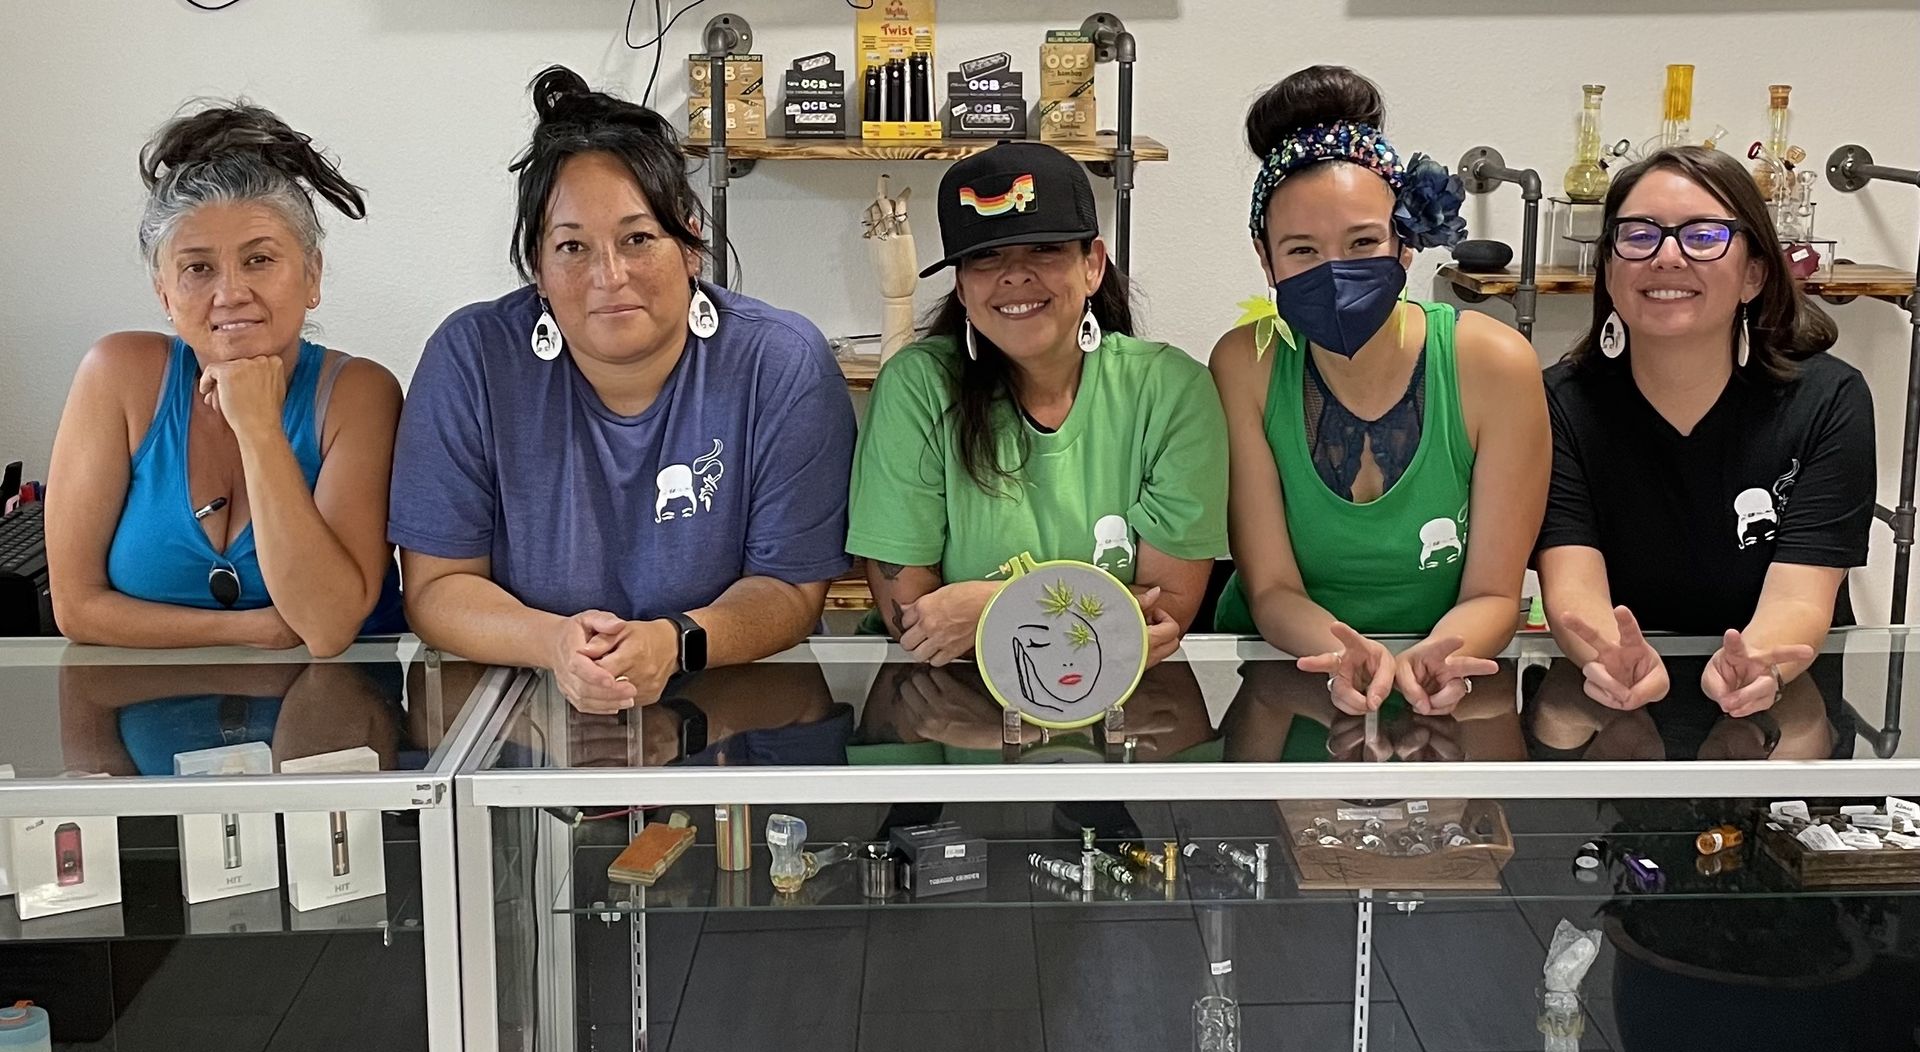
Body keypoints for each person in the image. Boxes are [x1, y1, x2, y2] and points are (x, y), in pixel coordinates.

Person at [391, 66, 855, 715]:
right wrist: (556, 643)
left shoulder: (780, 363)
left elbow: (789, 591)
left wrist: (674, 641)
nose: (609, 275)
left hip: (733, 712)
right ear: (536, 268)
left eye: (638, 239)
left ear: (690, 240)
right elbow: (439, 587)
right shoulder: (473, 359)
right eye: (572, 247)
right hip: (526, 713)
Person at [1211, 66, 1549, 715]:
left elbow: (1494, 593)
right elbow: (1273, 588)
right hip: (1287, 680)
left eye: (1363, 242)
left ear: (1405, 243)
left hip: (1450, 684)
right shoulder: (1244, 366)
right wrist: (1345, 656)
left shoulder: (1495, 366)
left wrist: (1433, 657)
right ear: (1265, 258)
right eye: (1303, 251)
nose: (1336, 273)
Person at [847, 142, 1228, 669]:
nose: (1015, 274)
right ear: (961, 285)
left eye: (1044, 249)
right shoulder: (918, 386)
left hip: (1114, 698)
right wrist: (1099, 614)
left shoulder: (1171, 390)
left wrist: (989, 606)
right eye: (985, 256)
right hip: (950, 695)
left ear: (1092, 265)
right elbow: (914, 618)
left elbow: (1165, 612)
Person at [46, 102, 405, 656]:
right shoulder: (117, 375)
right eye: (197, 268)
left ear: (312, 275)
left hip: (330, 726)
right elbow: (76, 607)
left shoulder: (360, 396)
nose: (230, 293)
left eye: (260, 260)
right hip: (150, 724)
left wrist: (260, 428)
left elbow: (327, 625)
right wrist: (251, 630)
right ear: (163, 293)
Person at [1535, 145, 1874, 726]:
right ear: (1609, 273)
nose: (1667, 257)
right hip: (1611, 711)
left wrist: (1756, 665)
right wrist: (1613, 659)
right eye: (1638, 236)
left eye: (1704, 236)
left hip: (1781, 708)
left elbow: (1800, 596)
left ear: (1754, 274)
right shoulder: (1557, 404)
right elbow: (1572, 586)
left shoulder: (1828, 400)